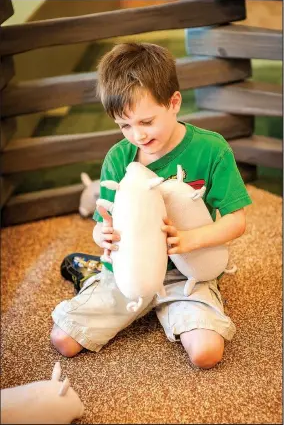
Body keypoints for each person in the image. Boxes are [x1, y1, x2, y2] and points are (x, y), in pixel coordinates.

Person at [51, 42, 252, 368]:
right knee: (63, 340)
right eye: (124, 126)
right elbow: (106, 223)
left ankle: (170, 304)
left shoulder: (211, 149)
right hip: (126, 271)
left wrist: (189, 241)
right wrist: (101, 237)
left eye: (146, 122)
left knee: (206, 354)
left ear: (174, 103)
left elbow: (236, 221)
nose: (137, 136)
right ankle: (92, 275)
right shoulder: (118, 158)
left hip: (185, 276)